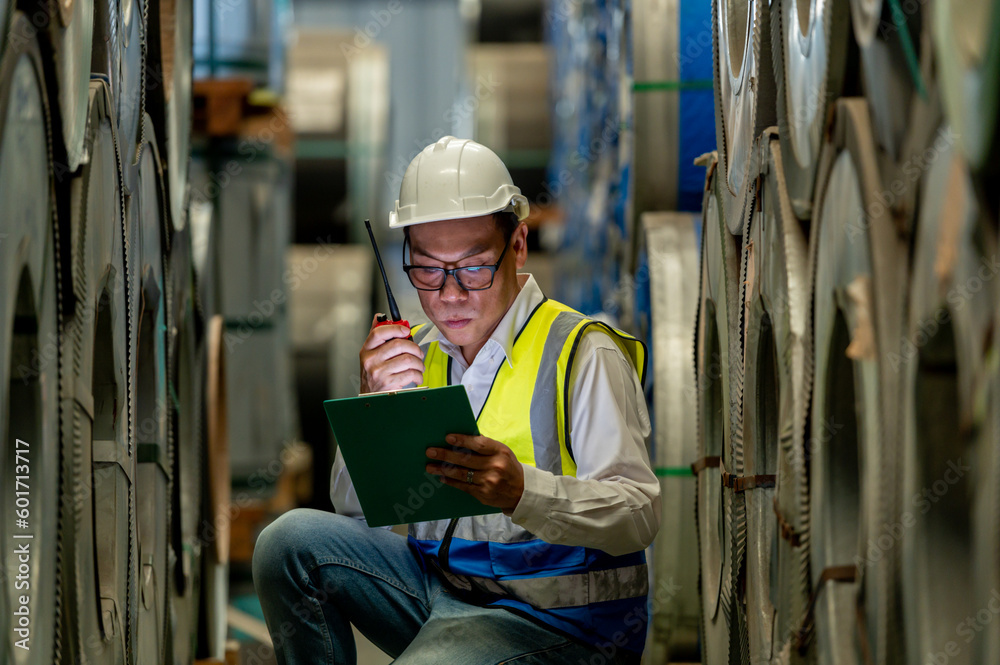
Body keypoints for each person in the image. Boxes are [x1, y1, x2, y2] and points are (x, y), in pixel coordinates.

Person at [253, 136, 660, 665]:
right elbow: (352, 516)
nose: (449, 294)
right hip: (441, 596)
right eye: (426, 268)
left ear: (517, 246)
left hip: (559, 626)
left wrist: (524, 492)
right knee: (287, 544)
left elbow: (638, 514)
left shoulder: (581, 353)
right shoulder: (416, 352)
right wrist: (372, 406)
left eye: (472, 267)